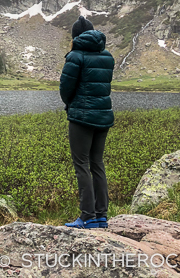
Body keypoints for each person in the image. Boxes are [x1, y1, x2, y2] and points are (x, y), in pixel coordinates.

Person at [60, 15, 114, 229]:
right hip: (103, 117)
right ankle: (101, 215)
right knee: (97, 164)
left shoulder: (75, 56)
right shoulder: (107, 55)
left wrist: (71, 104)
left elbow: (65, 88)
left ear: (75, 36)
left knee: (81, 164)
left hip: (81, 118)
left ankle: (86, 216)